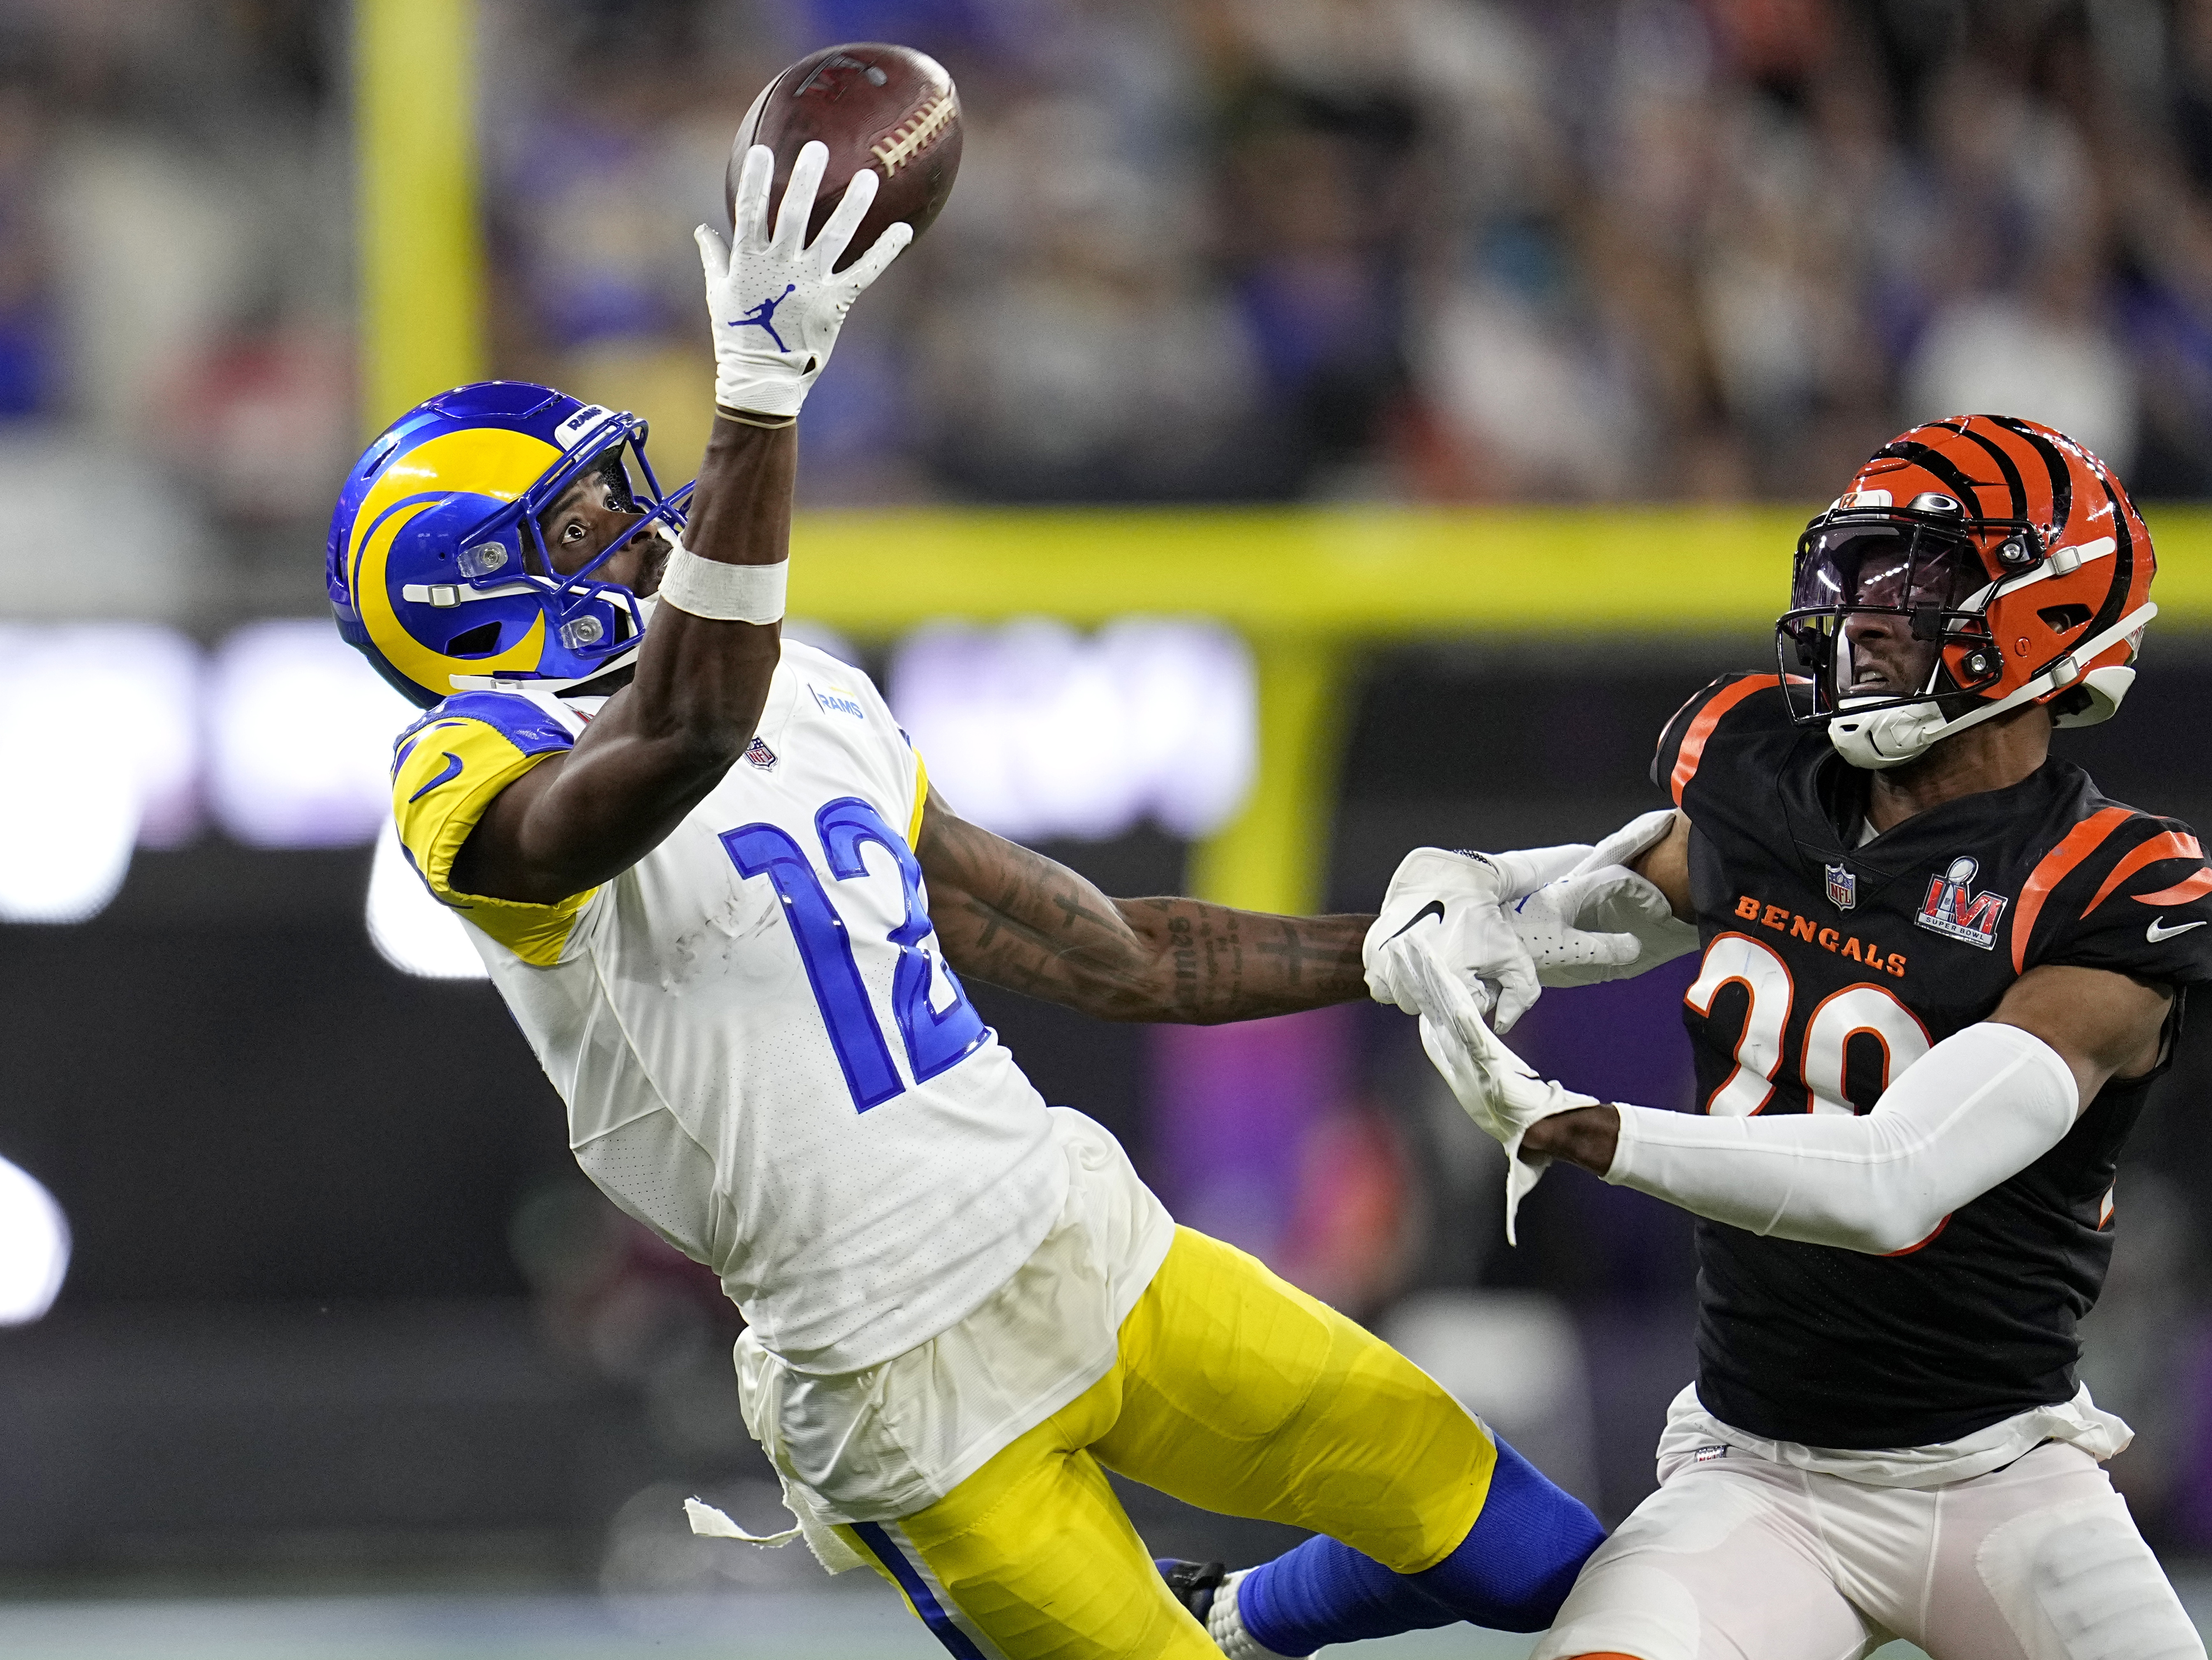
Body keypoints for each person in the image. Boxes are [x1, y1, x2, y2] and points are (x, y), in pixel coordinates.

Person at [326, 142, 1601, 1660]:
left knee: (1538, 1555)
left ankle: (1250, 1619)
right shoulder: (465, 770)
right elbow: (677, 736)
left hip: (1086, 1238)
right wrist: (765, 405)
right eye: (586, 522)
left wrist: (1387, 957)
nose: (646, 523)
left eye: (623, 488)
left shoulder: (804, 691)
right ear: (461, 593)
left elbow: (1116, 952)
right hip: (894, 1381)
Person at [1365, 415, 2212, 1660]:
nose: (1865, 616)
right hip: (1755, 1473)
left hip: (2004, 1480)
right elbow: (1587, 909)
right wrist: (1458, 888)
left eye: (1916, 583)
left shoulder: (2108, 879)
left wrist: (1578, 1128)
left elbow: (1896, 1178)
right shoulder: (1769, 774)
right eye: (1856, 574)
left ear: (2045, 619)